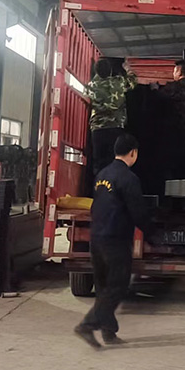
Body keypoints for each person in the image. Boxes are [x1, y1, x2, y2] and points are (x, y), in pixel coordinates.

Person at [74, 133, 155, 348]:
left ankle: (109, 332)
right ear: (133, 153)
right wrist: (152, 234)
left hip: (97, 237)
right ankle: (87, 325)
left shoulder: (102, 174)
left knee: (104, 287)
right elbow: (138, 212)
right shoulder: (129, 179)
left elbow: (96, 206)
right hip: (115, 240)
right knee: (117, 286)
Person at [86, 58, 137, 175]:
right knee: (114, 161)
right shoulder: (118, 82)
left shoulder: (92, 86)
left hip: (98, 129)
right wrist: (128, 69)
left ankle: (99, 184)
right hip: (116, 127)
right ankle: (113, 184)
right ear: (110, 71)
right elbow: (133, 81)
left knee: (98, 162)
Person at [157, 59, 185, 180]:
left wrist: (155, 88)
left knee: (170, 171)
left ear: (179, 72)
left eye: (174, 71)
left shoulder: (173, 88)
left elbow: (159, 97)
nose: (173, 74)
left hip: (174, 137)